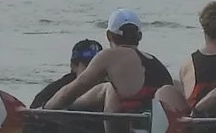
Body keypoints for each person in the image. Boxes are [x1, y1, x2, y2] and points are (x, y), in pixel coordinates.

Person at [43, 8, 172, 124]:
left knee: (107, 89)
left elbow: (72, 90)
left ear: (109, 35)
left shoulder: (109, 56)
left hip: (126, 132)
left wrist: (44, 110)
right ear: (139, 36)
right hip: (155, 127)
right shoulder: (153, 60)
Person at [32, 37, 104, 108]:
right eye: (89, 66)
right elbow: (33, 112)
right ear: (74, 66)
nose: (96, 71)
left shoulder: (111, 87)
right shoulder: (54, 90)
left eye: (100, 66)